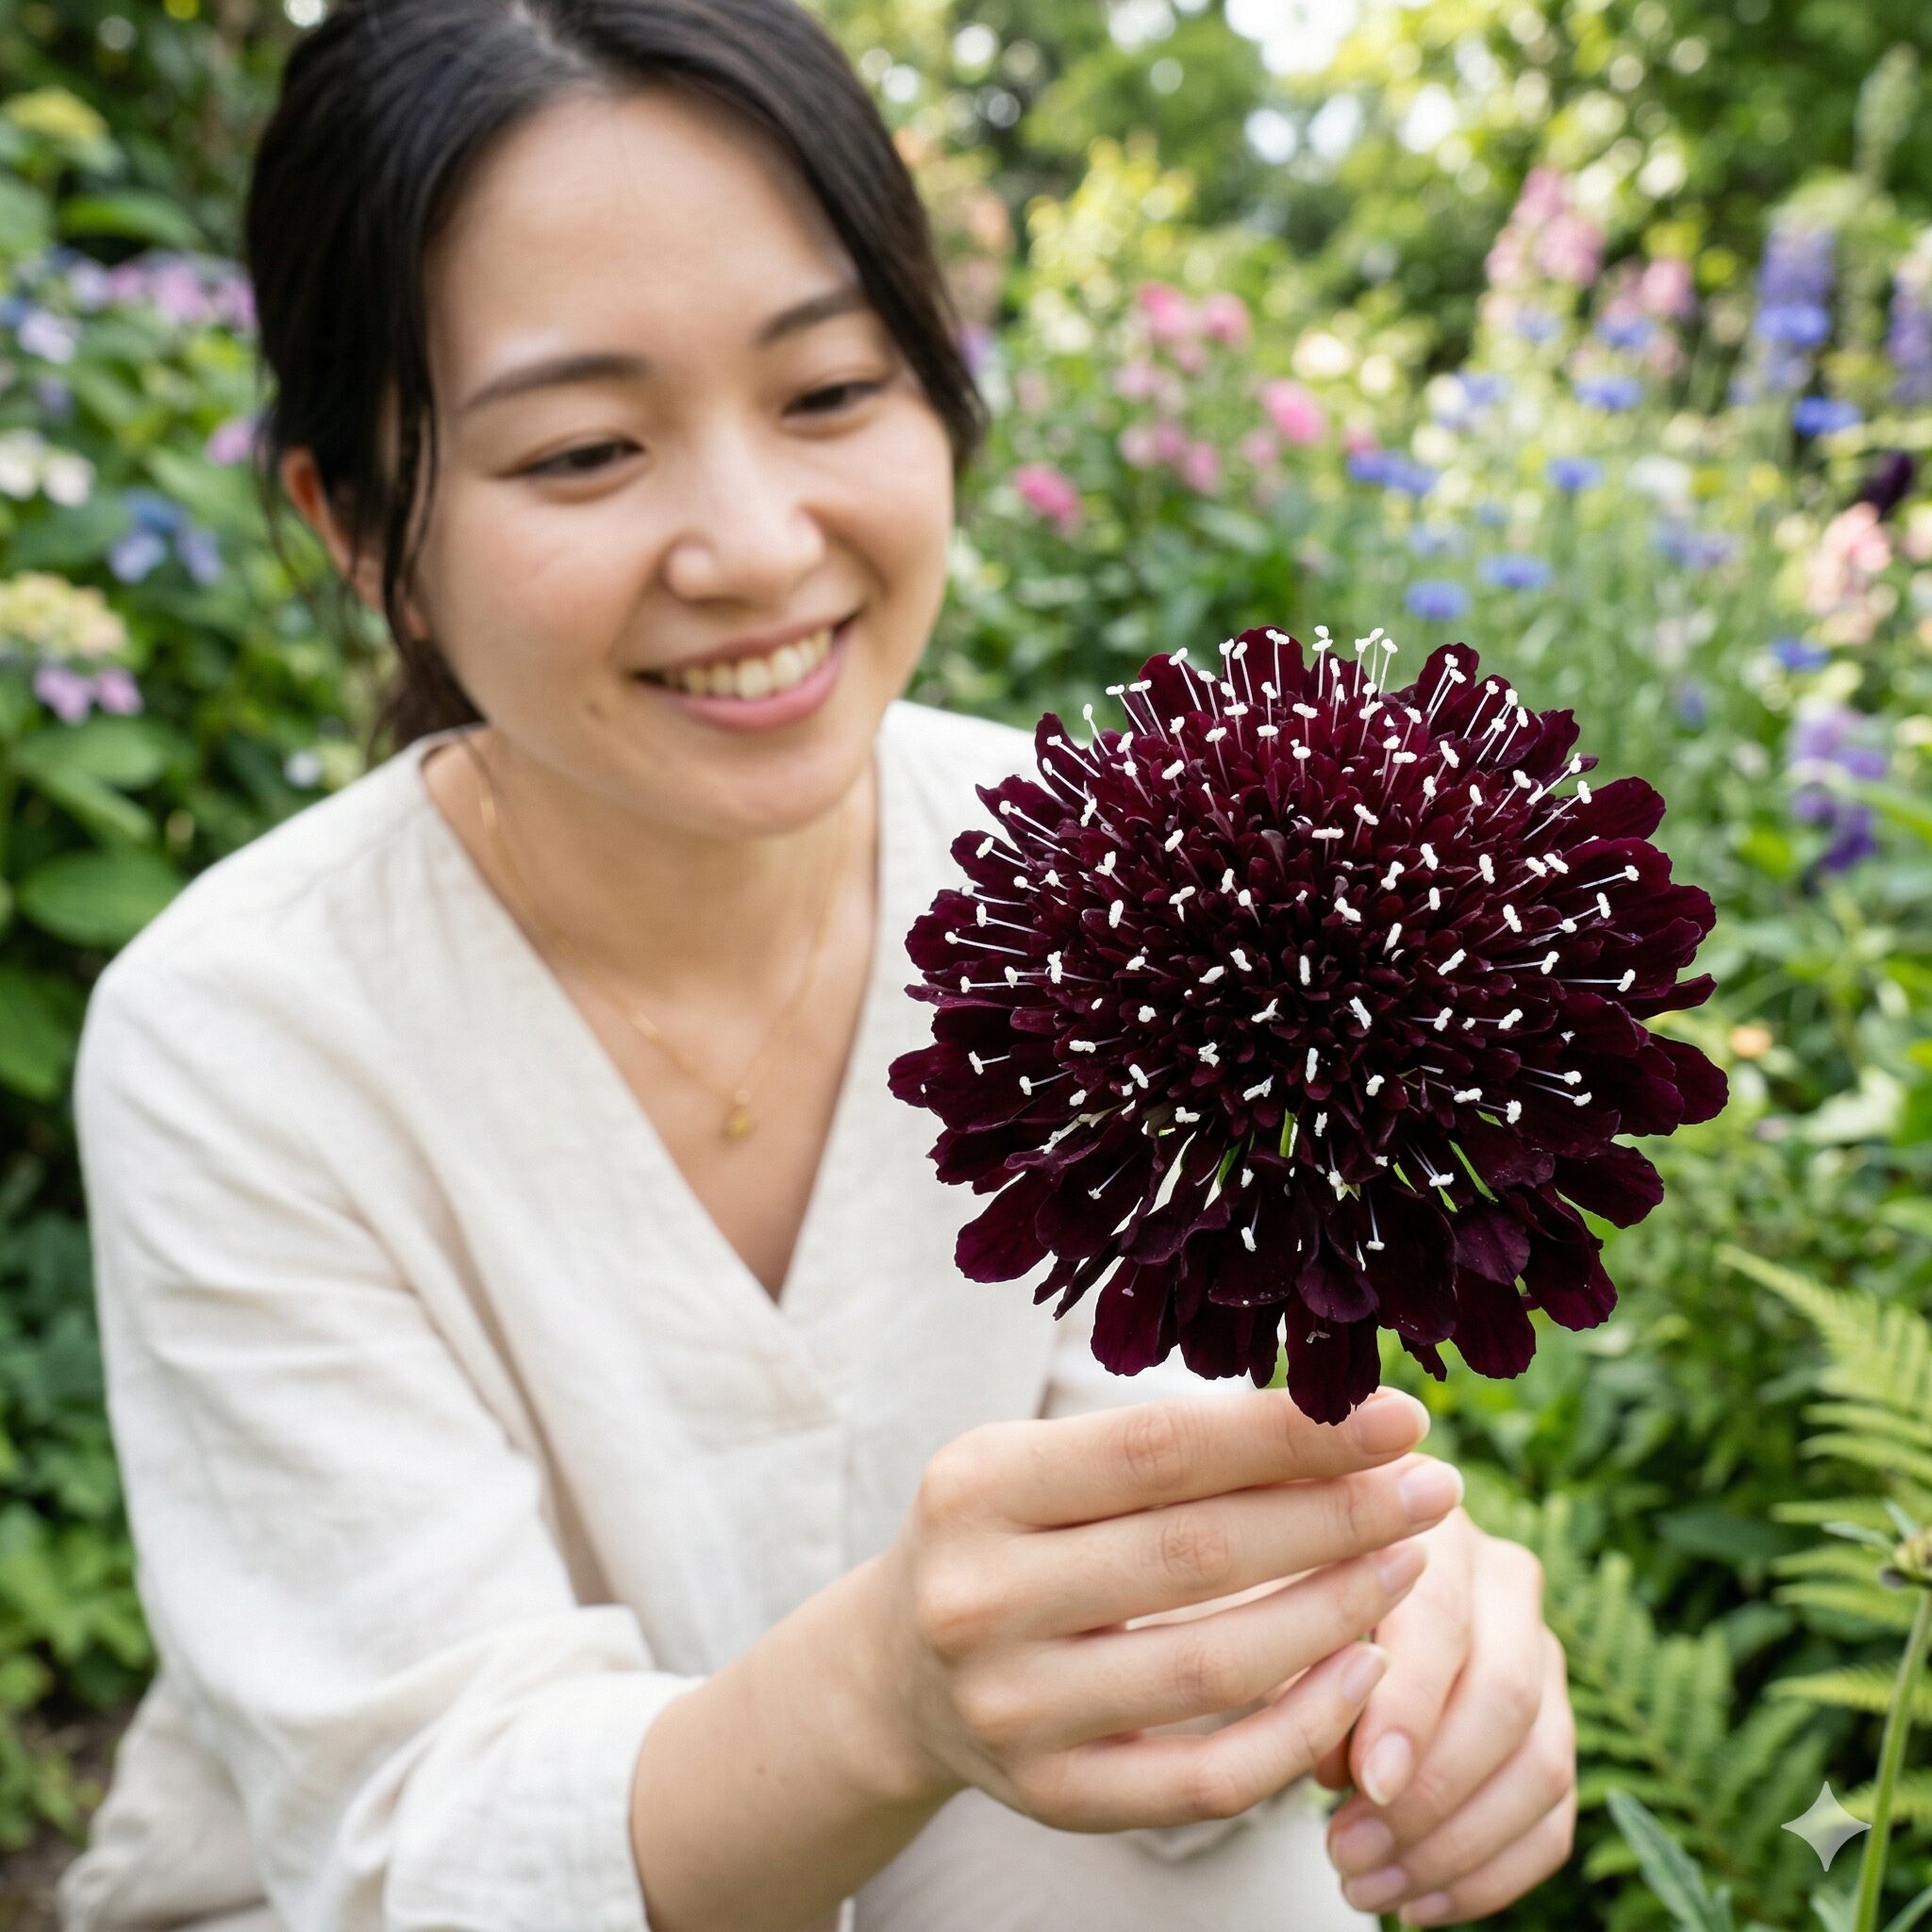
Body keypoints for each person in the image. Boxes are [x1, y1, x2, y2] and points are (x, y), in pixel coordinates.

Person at [55, 2, 1577, 1927]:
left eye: (832, 391)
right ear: (359, 529)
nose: (757, 546)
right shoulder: (241, 1035)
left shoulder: (1110, 878)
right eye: (587, 448)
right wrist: (879, 1693)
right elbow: (416, 1842)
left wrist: (1398, 1622)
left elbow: (1182, 1554)